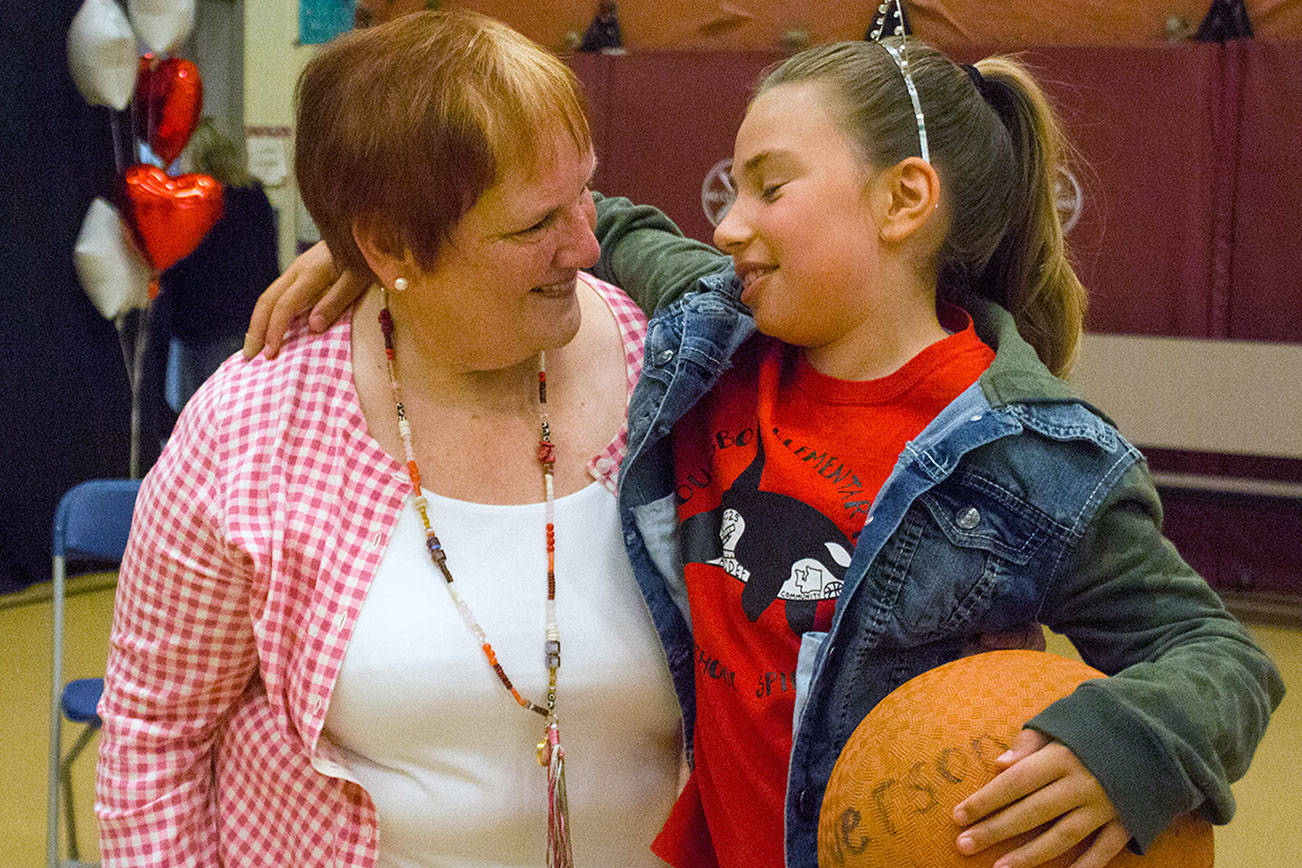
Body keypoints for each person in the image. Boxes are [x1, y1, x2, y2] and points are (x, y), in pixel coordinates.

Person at [245, 34, 1284, 868]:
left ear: (904, 200)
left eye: (769, 187)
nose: (730, 224)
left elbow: (1219, 658)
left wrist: (1129, 748)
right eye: (729, 189)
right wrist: (387, 257)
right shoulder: (716, 329)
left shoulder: (1033, 459)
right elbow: (551, 220)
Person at [95, 11, 684, 867]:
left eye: (584, 193)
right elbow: (155, 733)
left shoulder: (667, 376)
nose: (588, 244)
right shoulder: (256, 428)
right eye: (534, 225)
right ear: (388, 242)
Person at [157, 119, 280, 408]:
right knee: (246, 411)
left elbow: (182, 270)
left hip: (202, 328)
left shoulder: (194, 202)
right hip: (252, 323)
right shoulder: (254, 195)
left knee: (204, 414)